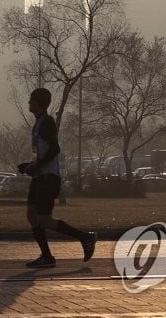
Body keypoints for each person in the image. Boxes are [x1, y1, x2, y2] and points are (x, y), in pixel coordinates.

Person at [18, 87, 96, 268]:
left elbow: (55, 149)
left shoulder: (47, 122)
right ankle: (47, 257)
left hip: (48, 178)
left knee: (44, 218)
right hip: (39, 177)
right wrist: (29, 165)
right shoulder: (38, 123)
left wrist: (36, 166)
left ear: (38, 102)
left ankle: (86, 237)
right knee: (31, 215)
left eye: (31, 99)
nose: (28, 102)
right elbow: (42, 152)